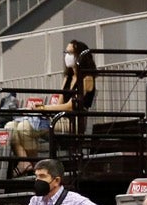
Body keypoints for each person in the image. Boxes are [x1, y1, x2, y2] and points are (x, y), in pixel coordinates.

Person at [9, 41, 96, 170]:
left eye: (70, 52)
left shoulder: (87, 79)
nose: (67, 55)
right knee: (10, 127)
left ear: (80, 56)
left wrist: (44, 108)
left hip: (74, 122)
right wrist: (42, 110)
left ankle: (34, 166)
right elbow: (60, 103)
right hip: (60, 118)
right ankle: (25, 163)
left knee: (24, 128)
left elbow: (70, 106)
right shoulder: (67, 77)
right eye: (66, 52)